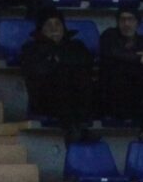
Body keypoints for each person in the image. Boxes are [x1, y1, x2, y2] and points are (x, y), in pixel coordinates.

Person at [19, 10, 96, 139]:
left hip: (76, 99)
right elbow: (37, 72)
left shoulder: (76, 46)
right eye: (48, 24)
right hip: (45, 100)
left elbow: (87, 64)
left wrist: (59, 59)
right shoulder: (31, 49)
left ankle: (78, 125)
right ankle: (76, 128)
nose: (53, 28)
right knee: (61, 75)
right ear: (41, 29)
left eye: (57, 24)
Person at [96, 7, 143, 133]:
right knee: (140, 69)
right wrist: (140, 58)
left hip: (138, 97)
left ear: (137, 23)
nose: (126, 24)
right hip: (114, 96)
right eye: (122, 20)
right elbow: (114, 53)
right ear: (117, 22)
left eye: (130, 19)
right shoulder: (109, 35)